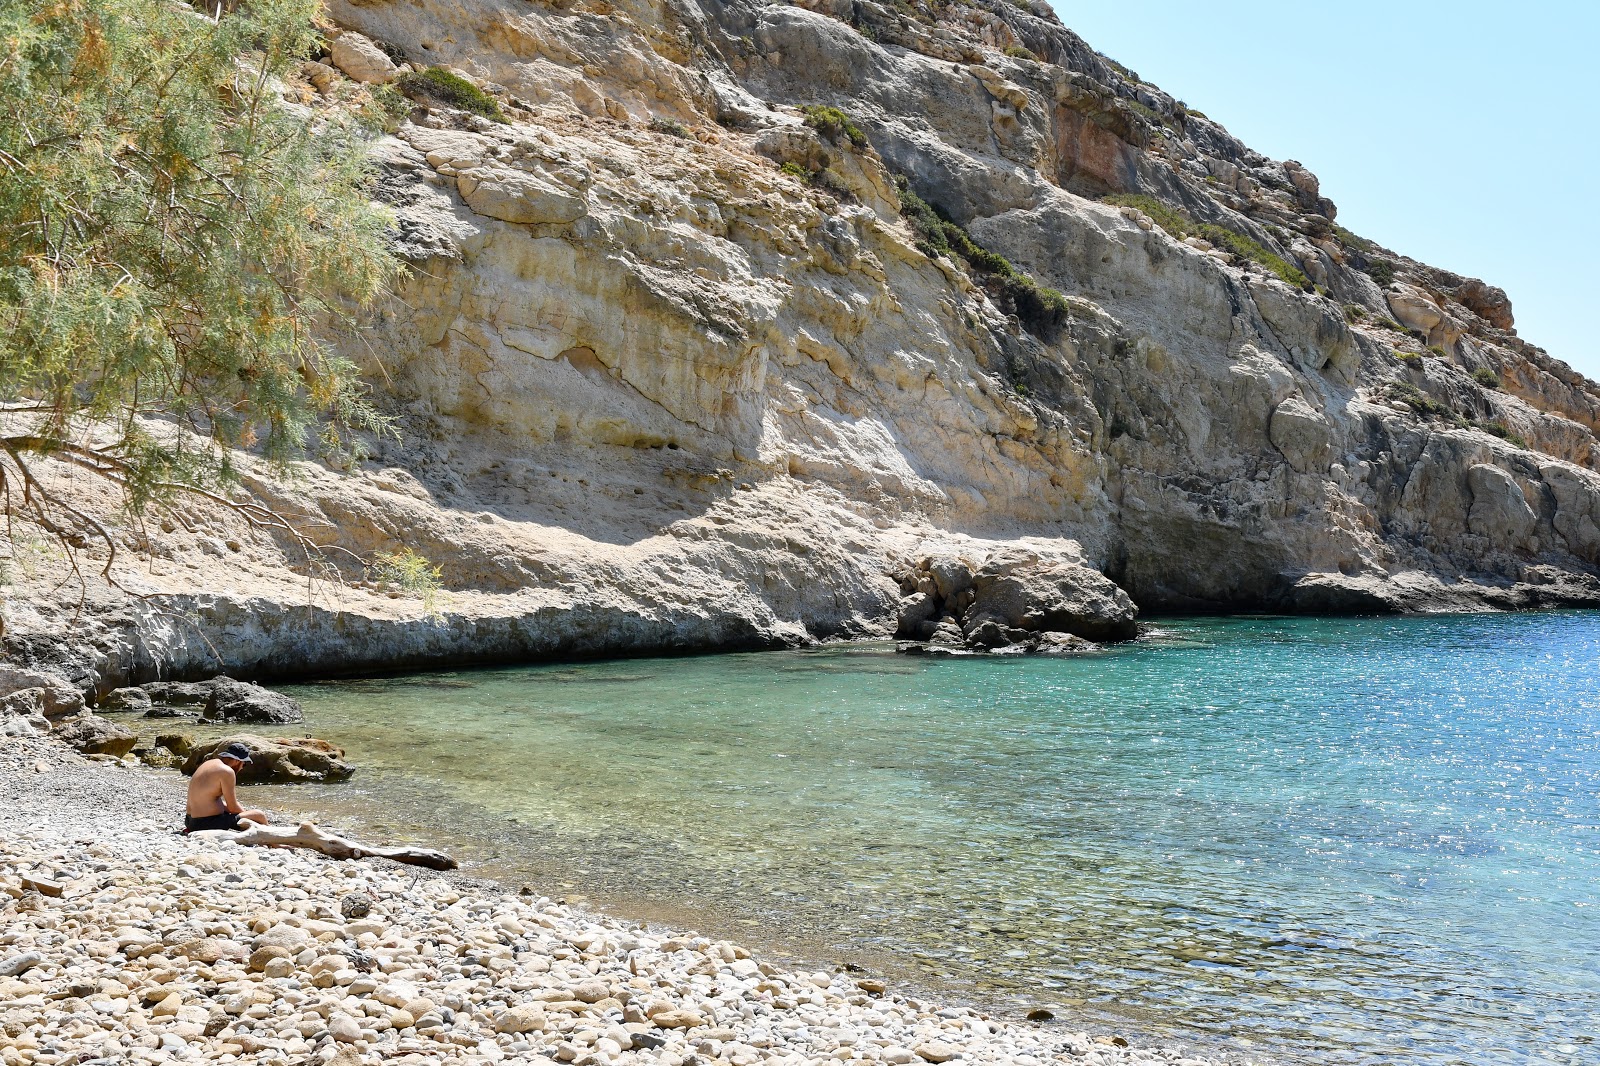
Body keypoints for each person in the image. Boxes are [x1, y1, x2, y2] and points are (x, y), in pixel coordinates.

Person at [184, 742, 270, 833]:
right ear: (237, 761)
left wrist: (244, 814)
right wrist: (248, 815)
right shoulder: (227, 771)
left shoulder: (209, 763)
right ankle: (274, 843)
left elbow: (213, 799)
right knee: (259, 815)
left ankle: (257, 833)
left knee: (230, 808)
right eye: (243, 764)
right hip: (206, 823)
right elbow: (233, 808)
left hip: (190, 821)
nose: (241, 768)